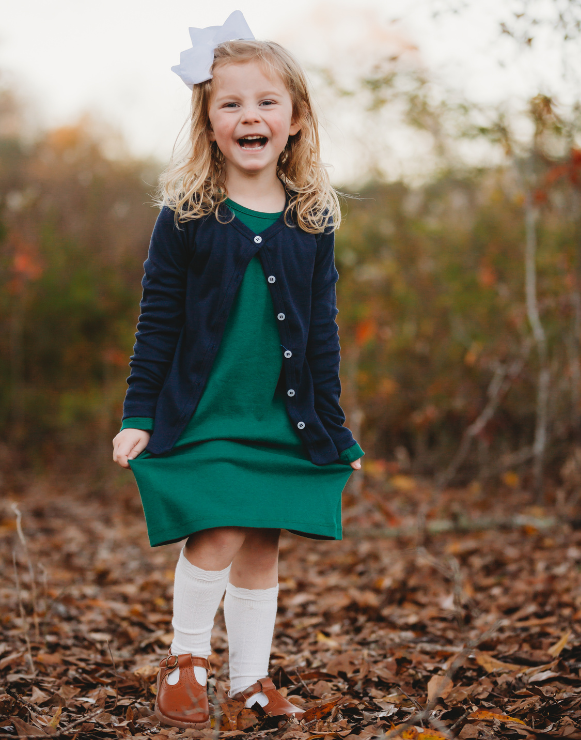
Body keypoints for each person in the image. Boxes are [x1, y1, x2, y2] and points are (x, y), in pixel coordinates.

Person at [112, 10, 364, 731]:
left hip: (280, 417)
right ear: (209, 121)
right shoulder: (188, 215)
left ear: (294, 118)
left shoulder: (312, 220)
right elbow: (157, 320)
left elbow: (321, 337)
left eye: (265, 102)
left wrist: (335, 429)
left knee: (261, 543)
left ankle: (250, 684)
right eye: (230, 103)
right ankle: (184, 663)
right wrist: (138, 414)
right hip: (206, 411)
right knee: (216, 531)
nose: (248, 115)